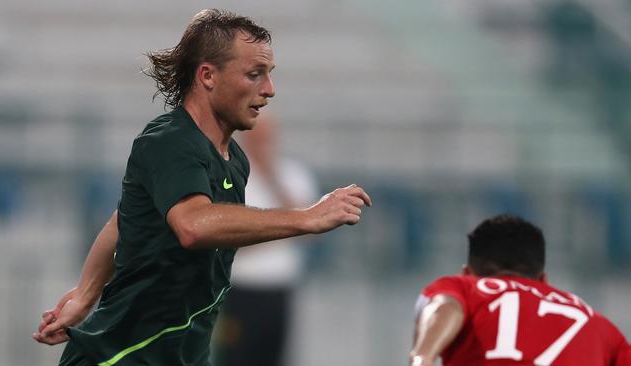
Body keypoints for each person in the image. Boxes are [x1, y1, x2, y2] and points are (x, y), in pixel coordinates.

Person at [32, 9, 372, 366]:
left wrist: (86, 294)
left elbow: (123, 221)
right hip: (121, 356)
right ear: (208, 75)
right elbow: (193, 226)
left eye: (269, 76)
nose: (269, 90)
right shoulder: (170, 141)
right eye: (254, 75)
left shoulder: (234, 159)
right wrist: (307, 216)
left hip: (183, 356)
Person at [409, 214, 630, 366]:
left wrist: (422, 356)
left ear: (468, 273)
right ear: (544, 280)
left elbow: (446, 305)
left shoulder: (465, 287)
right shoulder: (598, 323)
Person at [213, 113, 319, 366]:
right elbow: (227, 240)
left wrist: (271, 177)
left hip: (279, 289)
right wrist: (282, 232)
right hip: (240, 291)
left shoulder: (292, 174)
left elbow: (308, 228)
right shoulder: (229, 175)